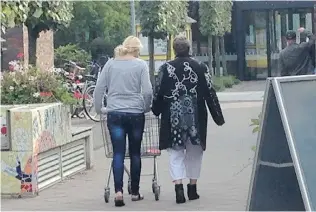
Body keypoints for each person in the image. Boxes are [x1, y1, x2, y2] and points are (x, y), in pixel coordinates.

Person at [151, 35, 225, 204]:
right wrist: (217, 117)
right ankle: (192, 188)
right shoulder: (201, 67)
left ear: (174, 49)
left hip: (173, 116)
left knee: (175, 153)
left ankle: (178, 188)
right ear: (189, 48)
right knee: (194, 152)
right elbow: (210, 92)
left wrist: (156, 110)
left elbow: (158, 93)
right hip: (196, 116)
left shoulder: (165, 68)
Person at [93, 36, 153, 207]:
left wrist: (99, 109)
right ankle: (135, 192)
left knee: (118, 153)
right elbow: (147, 91)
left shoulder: (110, 64)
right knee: (135, 153)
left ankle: (118, 192)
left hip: (115, 114)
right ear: (137, 50)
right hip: (135, 114)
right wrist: (146, 107)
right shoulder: (141, 65)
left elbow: (99, 89)